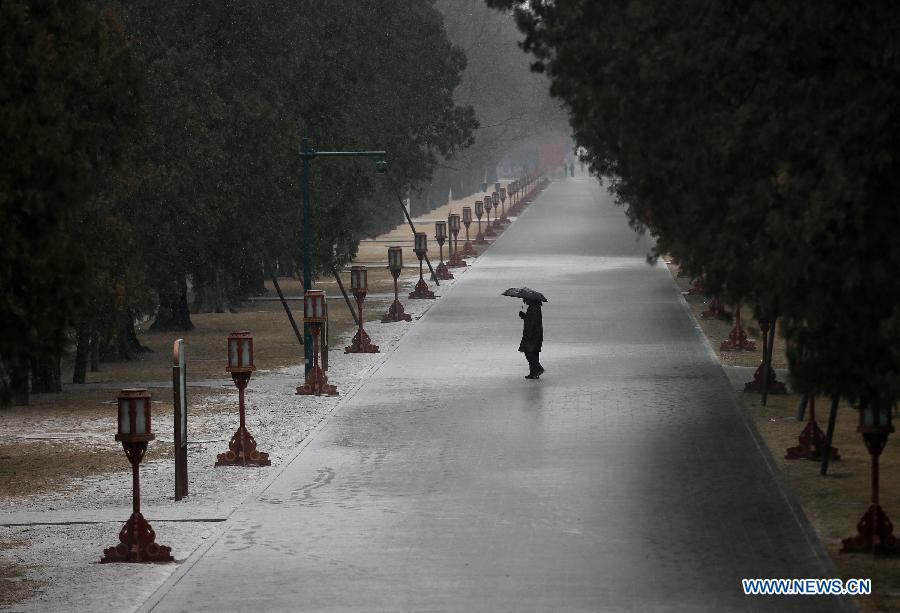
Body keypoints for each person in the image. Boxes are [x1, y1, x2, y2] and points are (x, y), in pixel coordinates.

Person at [518, 299, 544, 379]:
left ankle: (538, 368)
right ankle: (533, 373)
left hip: (532, 334)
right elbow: (531, 320)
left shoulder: (533, 308)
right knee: (534, 353)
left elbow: (531, 322)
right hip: (537, 334)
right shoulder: (536, 307)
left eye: (525, 299)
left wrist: (524, 317)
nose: (525, 301)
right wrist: (525, 316)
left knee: (529, 352)